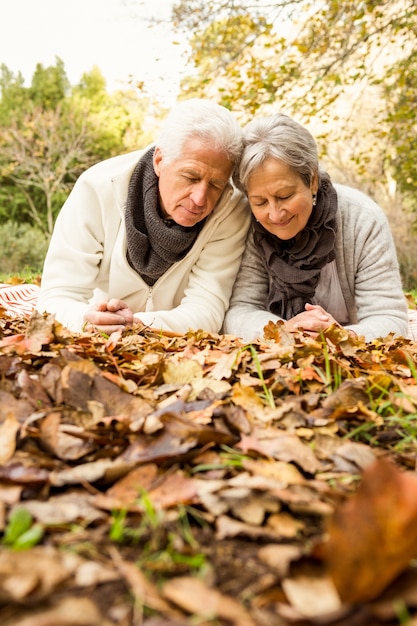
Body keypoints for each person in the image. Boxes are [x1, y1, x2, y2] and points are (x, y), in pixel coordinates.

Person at [37, 99, 251, 334]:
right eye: (190, 177)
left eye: (216, 184)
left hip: (173, 342)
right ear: (159, 161)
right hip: (100, 330)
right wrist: (85, 319)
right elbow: (57, 296)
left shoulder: (232, 208)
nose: (200, 198)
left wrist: (136, 325)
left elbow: (207, 309)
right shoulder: (96, 189)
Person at [222, 113, 409, 342]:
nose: (274, 214)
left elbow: (389, 316)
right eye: (260, 202)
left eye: (285, 195)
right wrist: (283, 329)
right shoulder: (253, 225)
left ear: (312, 180)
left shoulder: (363, 219)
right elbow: (240, 309)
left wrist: (342, 337)